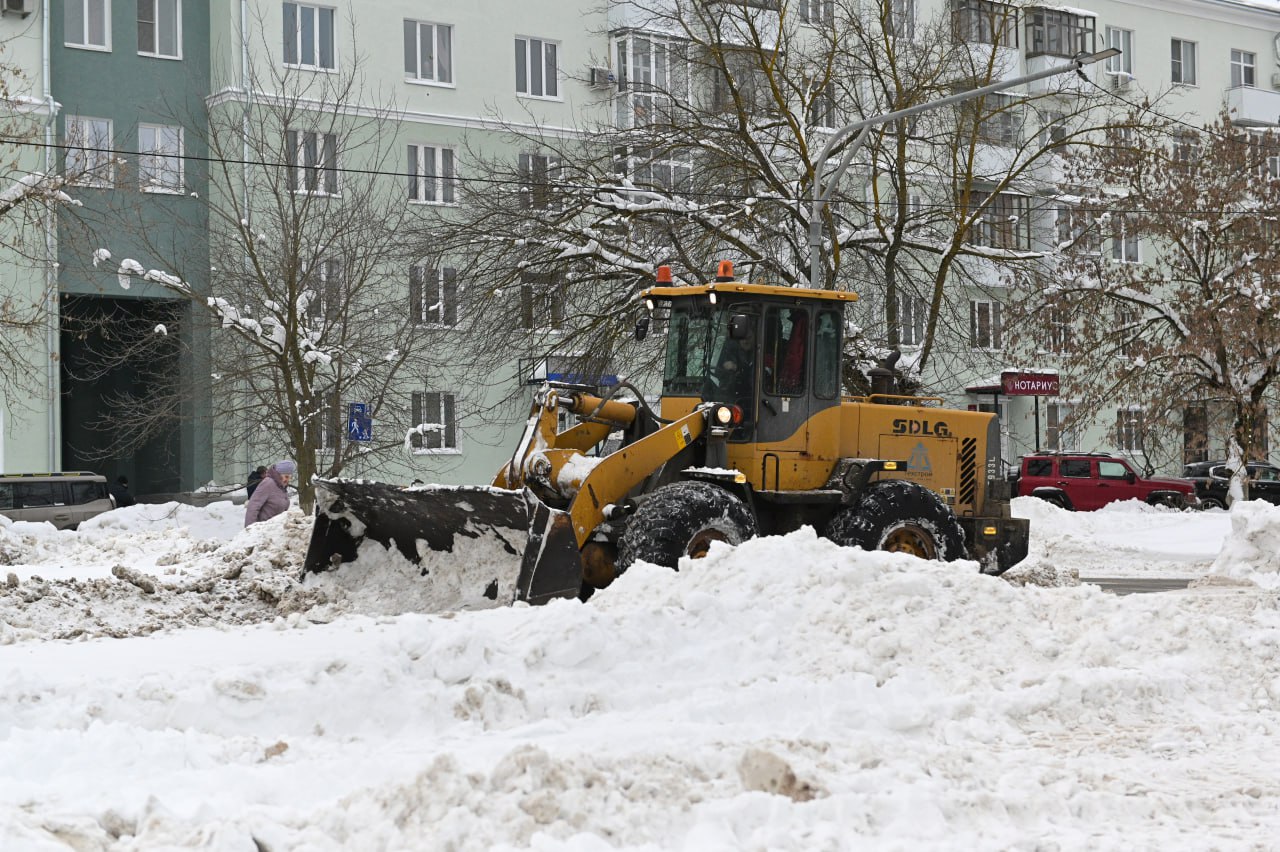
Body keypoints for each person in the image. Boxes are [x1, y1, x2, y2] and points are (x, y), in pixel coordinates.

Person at [244, 459, 295, 527]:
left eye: (290, 477)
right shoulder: (268, 483)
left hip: (275, 529)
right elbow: (253, 506)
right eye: (286, 477)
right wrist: (250, 530)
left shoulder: (281, 486)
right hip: (263, 529)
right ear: (279, 474)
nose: (288, 480)